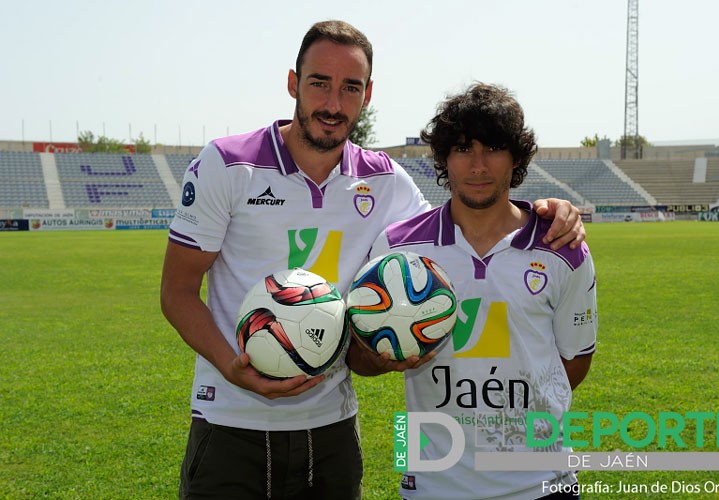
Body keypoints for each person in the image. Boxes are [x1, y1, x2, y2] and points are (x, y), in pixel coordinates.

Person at [161, 20, 586, 500]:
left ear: (367, 95)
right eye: (319, 83)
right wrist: (229, 364)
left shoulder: (388, 182)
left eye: (351, 88)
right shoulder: (227, 164)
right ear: (292, 83)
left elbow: (460, 234)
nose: (333, 104)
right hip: (229, 422)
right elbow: (176, 291)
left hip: (331, 428)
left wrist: (547, 210)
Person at [352, 83, 598, 499]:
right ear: (445, 159)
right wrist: (383, 358)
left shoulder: (562, 247)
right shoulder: (398, 248)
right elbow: (358, 356)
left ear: (515, 157)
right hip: (434, 485)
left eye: (494, 149)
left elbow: (575, 361)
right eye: (464, 149)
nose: (478, 166)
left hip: (540, 485)